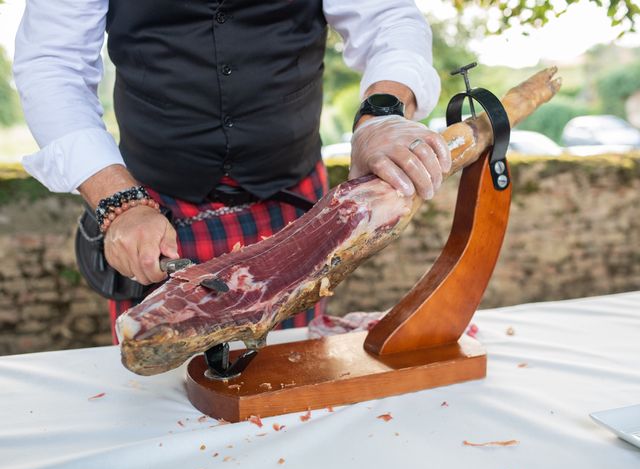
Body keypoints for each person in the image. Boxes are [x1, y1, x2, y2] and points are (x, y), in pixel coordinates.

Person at [13, 0, 451, 338]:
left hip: (292, 202)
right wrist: (118, 202)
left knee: (291, 379)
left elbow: (387, 18)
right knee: (161, 398)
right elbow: (54, 62)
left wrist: (383, 113)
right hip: (153, 207)